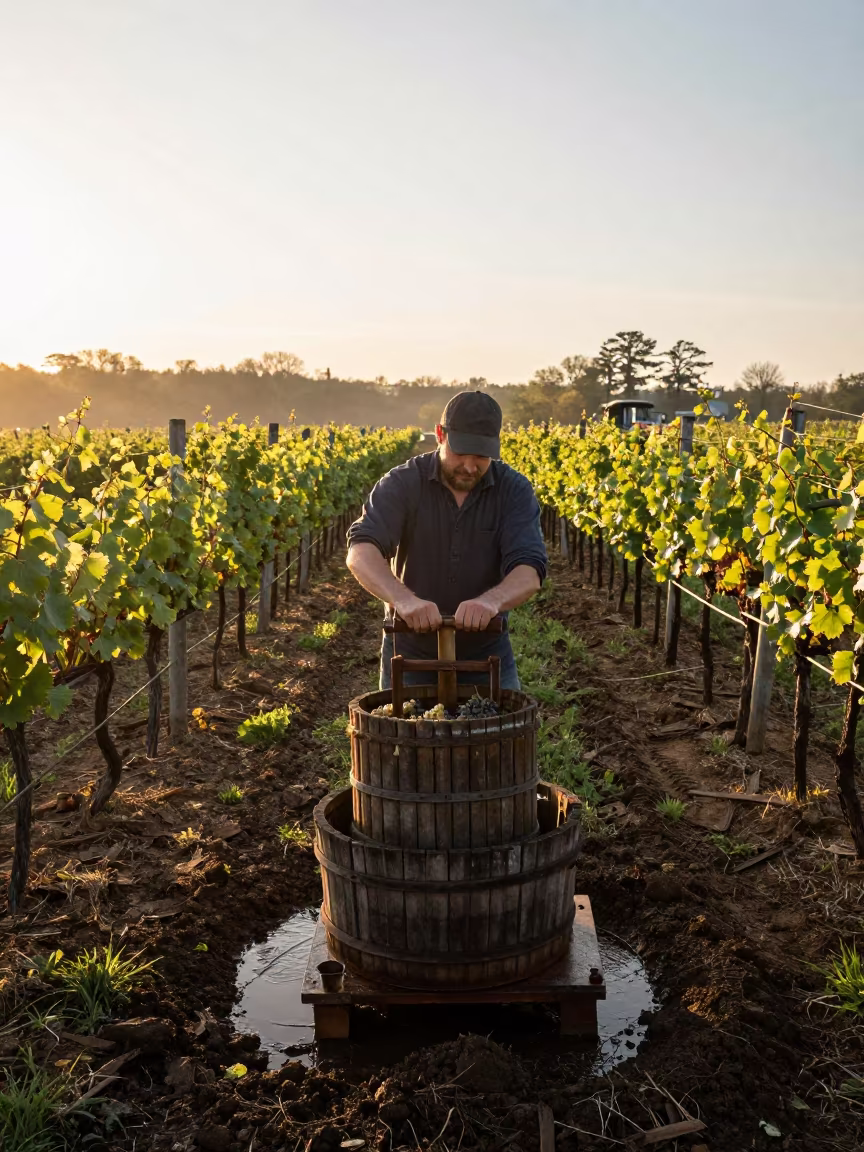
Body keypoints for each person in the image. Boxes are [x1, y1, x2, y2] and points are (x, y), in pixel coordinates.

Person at [346, 391, 547, 691]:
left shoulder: (513, 490)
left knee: (497, 736)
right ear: (440, 435)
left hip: (488, 654)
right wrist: (404, 600)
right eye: (460, 453)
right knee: (407, 735)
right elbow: (360, 552)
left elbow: (529, 570)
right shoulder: (402, 483)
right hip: (409, 654)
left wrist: (490, 601)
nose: (469, 466)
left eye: (481, 456)